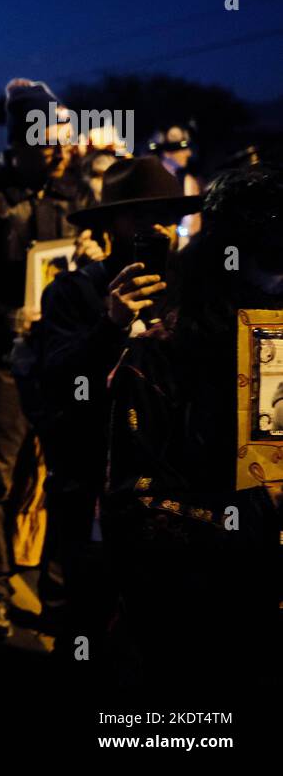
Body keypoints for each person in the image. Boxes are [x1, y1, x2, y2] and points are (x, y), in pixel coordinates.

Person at [17, 156, 200, 671]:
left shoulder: (195, 292)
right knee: (84, 612)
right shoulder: (73, 291)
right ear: (111, 224)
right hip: (91, 476)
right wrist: (111, 322)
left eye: (167, 216)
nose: (158, 228)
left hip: (169, 485)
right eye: (141, 218)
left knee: (157, 622)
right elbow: (59, 375)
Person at [103, 166, 283, 684]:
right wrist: (249, 516)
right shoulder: (161, 356)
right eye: (270, 267)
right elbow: (130, 505)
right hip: (191, 623)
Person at [0, 78, 93, 637]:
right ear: (19, 143)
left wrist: (95, 256)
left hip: (63, 361)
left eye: (62, 140)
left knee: (64, 476)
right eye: (46, 141)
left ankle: (56, 591)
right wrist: (2, 316)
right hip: (3, 359)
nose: (58, 150)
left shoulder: (78, 195)